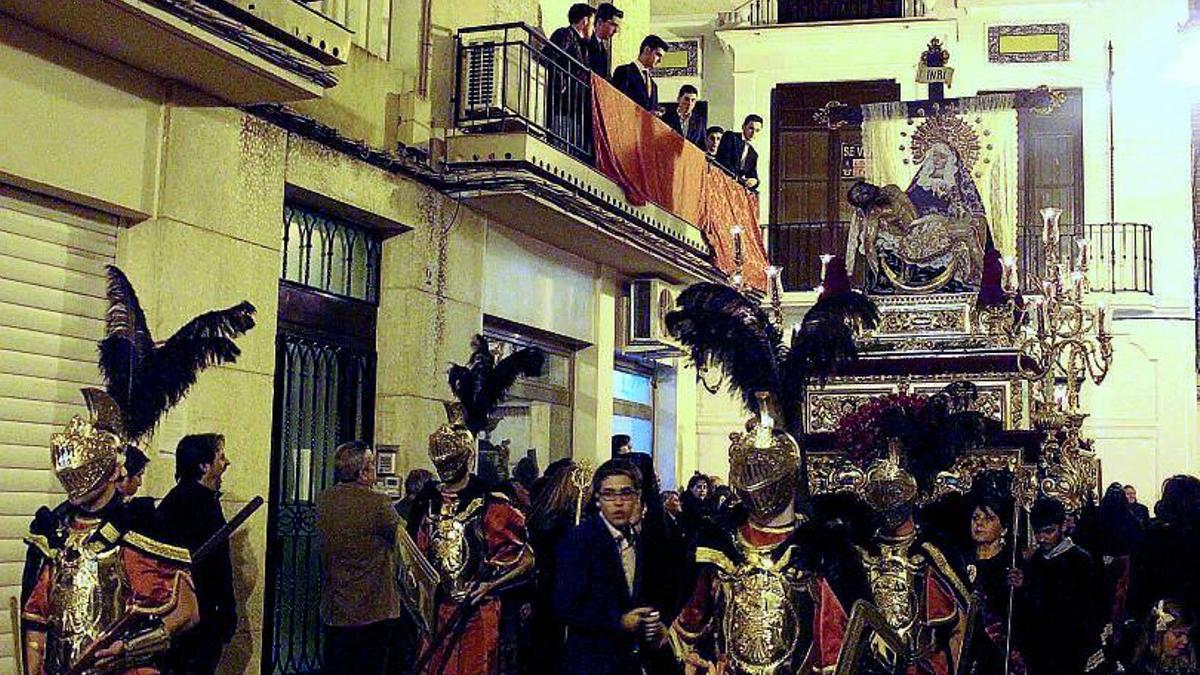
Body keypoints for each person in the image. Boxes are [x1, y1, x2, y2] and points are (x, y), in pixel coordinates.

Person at [22, 390, 199, 675]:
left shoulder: (142, 527)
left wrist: (129, 650)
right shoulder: (53, 531)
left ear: (116, 471)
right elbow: (37, 620)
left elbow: (186, 612)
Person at [408, 337, 539, 675]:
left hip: (476, 610)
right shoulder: (427, 502)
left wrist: (490, 586)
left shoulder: (492, 505)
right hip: (436, 613)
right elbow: (416, 558)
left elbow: (524, 559)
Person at [555, 459, 674, 674]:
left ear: (637, 497)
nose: (618, 502)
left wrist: (655, 625)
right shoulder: (580, 540)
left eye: (626, 493)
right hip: (591, 661)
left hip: (629, 662)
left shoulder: (639, 540)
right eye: (609, 494)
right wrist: (618, 621)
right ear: (598, 499)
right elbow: (566, 604)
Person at [315, 441, 403, 675]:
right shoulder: (379, 503)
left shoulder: (325, 500)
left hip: (337, 605)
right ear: (363, 473)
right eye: (372, 464)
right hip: (373, 607)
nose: (375, 469)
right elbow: (402, 539)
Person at [158, 433, 238, 675]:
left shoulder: (189, 498)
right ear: (204, 465)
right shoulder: (195, 503)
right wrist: (224, 612)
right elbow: (215, 567)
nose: (226, 463)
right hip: (196, 616)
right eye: (220, 457)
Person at [1010, 497, 1104, 674]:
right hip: (1039, 649)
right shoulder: (1035, 560)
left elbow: (1073, 607)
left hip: (1070, 648)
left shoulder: (1080, 560)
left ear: (1063, 526)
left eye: (1049, 531)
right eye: (1038, 532)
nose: (1042, 538)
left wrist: (1029, 585)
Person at [961, 477, 1024, 675]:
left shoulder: (1013, 563)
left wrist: (1022, 587)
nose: (979, 524)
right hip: (966, 644)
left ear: (1004, 528)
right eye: (975, 518)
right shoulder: (961, 560)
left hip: (1001, 650)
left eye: (988, 519)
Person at [1126, 599, 1198, 674]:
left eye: (1188, 635)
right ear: (1158, 634)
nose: (1186, 641)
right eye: (1178, 634)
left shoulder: (1189, 667)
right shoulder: (1138, 668)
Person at [611, 35, 668, 112]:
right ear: (647, 50)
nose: (660, 61)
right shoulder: (624, 71)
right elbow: (616, 103)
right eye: (658, 55)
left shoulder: (654, 86)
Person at [714, 114, 763, 189]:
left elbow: (753, 175)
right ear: (743, 127)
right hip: (719, 181)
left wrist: (755, 181)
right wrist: (740, 180)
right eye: (751, 128)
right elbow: (724, 161)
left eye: (757, 130)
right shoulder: (730, 137)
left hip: (734, 188)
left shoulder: (753, 154)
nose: (753, 133)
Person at [661, 85, 706, 149]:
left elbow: (703, 146)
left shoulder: (699, 122)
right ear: (678, 99)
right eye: (686, 99)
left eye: (693, 100)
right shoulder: (666, 118)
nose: (690, 103)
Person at [588, 3, 623, 79]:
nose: (616, 30)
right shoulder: (586, 43)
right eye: (613, 25)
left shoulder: (603, 49)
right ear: (600, 23)